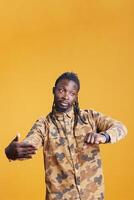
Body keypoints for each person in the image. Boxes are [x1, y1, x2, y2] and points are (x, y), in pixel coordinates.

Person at [5, 72, 127, 200]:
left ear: (76, 96)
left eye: (72, 93)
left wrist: (104, 136)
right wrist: (12, 152)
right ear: (54, 90)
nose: (66, 96)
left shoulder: (90, 117)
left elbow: (121, 128)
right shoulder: (44, 124)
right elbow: (30, 143)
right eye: (61, 90)